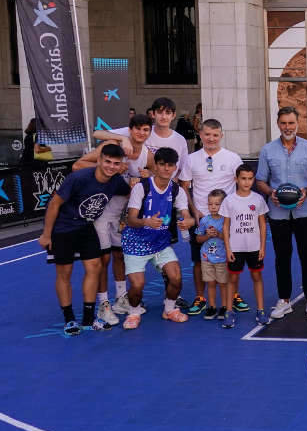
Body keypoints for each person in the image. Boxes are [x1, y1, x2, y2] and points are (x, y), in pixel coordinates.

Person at [39, 144, 131, 335]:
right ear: (99, 160)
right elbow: (55, 204)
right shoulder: (79, 178)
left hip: (86, 226)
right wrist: (47, 234)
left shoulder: (116, 181)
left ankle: (89, 319)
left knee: (95, 267)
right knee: (65, 272)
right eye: (107, 162)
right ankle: (69, 319)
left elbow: (130, 192)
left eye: (116, 163)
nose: (111, 167)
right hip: (63, 228)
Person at [72, 114, 153, 321]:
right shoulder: (112, 145)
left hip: (123, 216)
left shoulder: (147, 154)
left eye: (145, 130)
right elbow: (77, 165)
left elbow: (153, 176)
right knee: (103, 259)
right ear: (130, 130)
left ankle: (120, 298)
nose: (141, 133)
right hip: (101, 213)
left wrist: (148, 177)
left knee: (119, 257)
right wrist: (111, 168)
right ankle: (103, 304)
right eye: (137, 129)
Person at [256, 106, 307, 319]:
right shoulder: (267, 150)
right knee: (282, 257)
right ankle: (284, 300)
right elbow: (260, 180)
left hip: (305, 211)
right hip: (278, 213)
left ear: (298, 123)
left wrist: (306, 190)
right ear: (278, 124)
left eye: (291, 123)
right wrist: (271, 192)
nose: (287, 127)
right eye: (283, 123)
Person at [120, 147, 194, 330]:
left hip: (160, 243)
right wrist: (146, 221)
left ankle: (169, 309)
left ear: (175, 168)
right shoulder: (142, 187)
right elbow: (130, 219)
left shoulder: (177, 190)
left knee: (176, 278)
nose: (166, 169)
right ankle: (134, 312)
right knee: (137, 285)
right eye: (162, 165)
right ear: (155, 166)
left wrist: (189, 222)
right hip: (135, 242)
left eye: (170, 165)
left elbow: (186, 214)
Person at [178, 119, 244, 316]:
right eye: (207, 134)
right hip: (201, 218)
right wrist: (194, 211)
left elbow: (241, 185)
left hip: (227, 220)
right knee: (199, 259)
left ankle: (233, 295)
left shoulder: (233, 158)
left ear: (221, 136)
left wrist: (234, 213)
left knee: (231, 258)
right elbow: (185, 187)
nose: (211, 138)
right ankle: (201, 297)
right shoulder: (191, 159)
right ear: (200, 135)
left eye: (215, 135)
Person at [221, 164, 271, 326]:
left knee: (257, 276)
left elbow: (263, 225)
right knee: (232, 278)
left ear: (253, 180)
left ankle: (261, 310)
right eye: (243, 178)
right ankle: (229, 311)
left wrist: (262, 247)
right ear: (236, 179)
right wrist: (228, 248)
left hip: (254, 247)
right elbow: (226, 226)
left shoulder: (258, 199)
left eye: (250, 179)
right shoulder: (229, 200)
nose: (246, 182)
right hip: (235, 248)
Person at [194, 189, 229, 321]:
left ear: (224, 205)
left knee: (223, 283)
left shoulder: (226, 220)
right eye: (210, 204)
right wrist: (207, 236)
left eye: (217, 204)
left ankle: (225, 307)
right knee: (211, 283)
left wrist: (218, 235)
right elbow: (198, 239)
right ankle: (212, 307)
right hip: (206, 258)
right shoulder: (204, 221)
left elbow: (229, 238)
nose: (213, 207)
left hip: (222, 257)